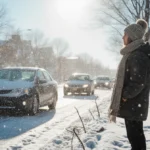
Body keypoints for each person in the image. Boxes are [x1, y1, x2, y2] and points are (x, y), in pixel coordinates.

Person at [109, 19, 150, 150]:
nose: (122, 37)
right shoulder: (135, 53)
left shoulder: (137, 55)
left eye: (125, 34)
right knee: (135, 137)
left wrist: (125, 95)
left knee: (136, 138)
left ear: (131, 37)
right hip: (134, 104)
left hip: (134, 104)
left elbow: (138, 82)